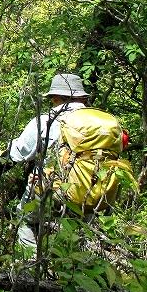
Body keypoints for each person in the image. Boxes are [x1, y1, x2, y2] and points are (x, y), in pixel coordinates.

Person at [7, 73, 90, 248]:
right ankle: (71, 271)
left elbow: (17, 153)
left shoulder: (47, 121)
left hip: (51, 189)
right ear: (82, 97)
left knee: (25, 220)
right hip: (90, 192)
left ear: (56, 97)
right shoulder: (100, 124)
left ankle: (29, 269)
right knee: (76, 233)